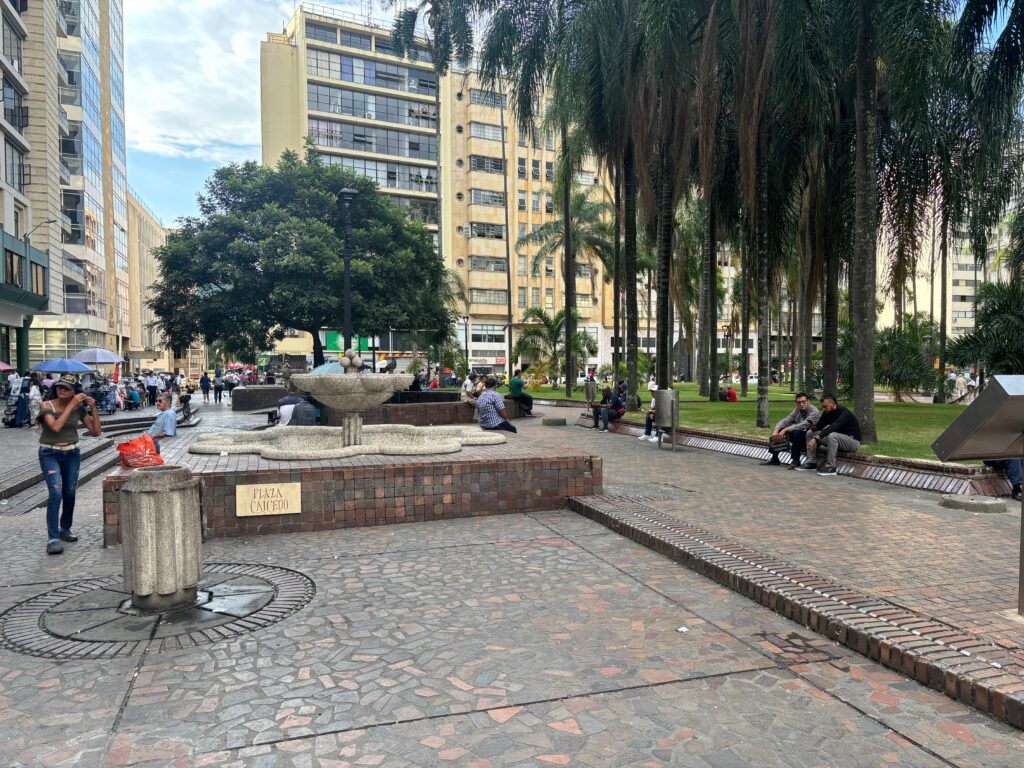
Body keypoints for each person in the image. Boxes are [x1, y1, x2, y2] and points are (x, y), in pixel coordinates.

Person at [38, 375, 102, 555]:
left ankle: (65, 528)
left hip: (72, 453)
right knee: (56, 493)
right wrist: (72, 405)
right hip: (49, 453)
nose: (62, 390)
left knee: (70, 492)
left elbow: (96, 432)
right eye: (60, 387)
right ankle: (53, 538)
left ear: (74, 392)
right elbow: (56, 427)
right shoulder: (46, 406)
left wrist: (93, 408)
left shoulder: (79, 408)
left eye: (66, 388)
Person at [800, 394, 861, 475]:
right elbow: (819, 426)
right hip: (836, 440)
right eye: (822, 407)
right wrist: (813, 427)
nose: (824, 409)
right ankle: (811, 461)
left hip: (852, 442)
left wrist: (816, 438)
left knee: (832, 435)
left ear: (832, 404)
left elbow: (834, 427)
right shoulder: (827, 412)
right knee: (811, 433)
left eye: (825, 406)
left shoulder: (845, 413)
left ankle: (830, 467)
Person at [762, 392, 821, 467]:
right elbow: (786, 420)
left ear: (809, 401)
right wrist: (776, 430)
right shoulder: (797, 410)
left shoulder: (814, 412)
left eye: (804, 402)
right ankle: (774, 458)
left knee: (795, 433)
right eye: (799, 402)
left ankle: (796, 461)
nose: (801, 404)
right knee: (781, 431)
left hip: (812, 439)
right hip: (800, 435)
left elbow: (803, 425)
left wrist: (786, 429)